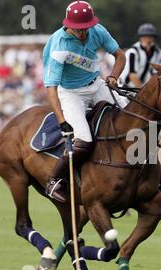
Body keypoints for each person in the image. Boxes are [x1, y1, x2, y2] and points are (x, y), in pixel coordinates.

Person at [43, 0, 126, 202]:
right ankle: (53, 180)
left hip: (96, 84)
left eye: (85, 28)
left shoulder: (97, 30)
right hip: (71, 93)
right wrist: (63, 121)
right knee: (84, 141)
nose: (82, 33)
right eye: (78, 29)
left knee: (129, 116)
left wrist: (114, 76)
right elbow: (51, 88)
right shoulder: (59, 46)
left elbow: (120, 55)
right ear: (68, 24)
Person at [119, 23, 161, 88]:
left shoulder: (158, 53)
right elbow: (132, 75)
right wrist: (143, 91)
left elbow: (156, 74)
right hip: (126, 88)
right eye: (145, 37)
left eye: (150, 37)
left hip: (144, 88)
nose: (148, 39)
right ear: (140, 38)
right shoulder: (133, 52)